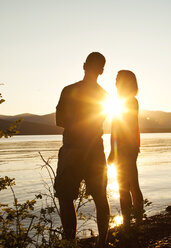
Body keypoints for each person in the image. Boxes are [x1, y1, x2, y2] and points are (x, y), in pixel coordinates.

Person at [54, 52, 110, 247]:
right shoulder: (104, 96)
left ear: (84, 65)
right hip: (94, 150)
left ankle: (70, 242)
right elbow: (97, 121)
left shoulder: (69, 90)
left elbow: (59, 120)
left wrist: (74, 120)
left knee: (66, 197)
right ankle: (102, 242)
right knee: (100, 197)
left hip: (72, 150)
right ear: (102, 71)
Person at [108, 70, 144, 229]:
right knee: (129, 185)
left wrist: (113, 151)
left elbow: (119, 128)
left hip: (125, 148)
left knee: (126, 186)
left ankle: (131, 223)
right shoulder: (126, 101)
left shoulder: (128, 101)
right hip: (129, 147)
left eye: (117, 79)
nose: (115, 82)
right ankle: (132, 222)